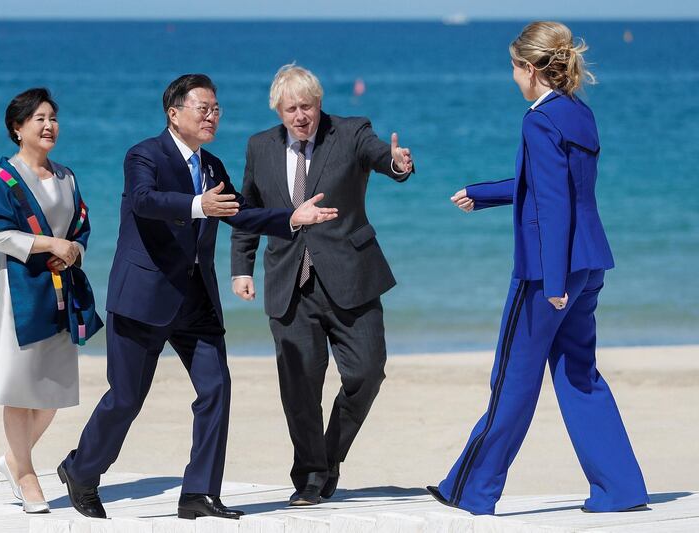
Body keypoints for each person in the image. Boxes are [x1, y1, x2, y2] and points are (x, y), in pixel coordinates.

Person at [56, 74, 338, 521]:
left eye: (216, 109)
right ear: (174, 113)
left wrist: (292, 218)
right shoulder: (144, 155)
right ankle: (82, 470)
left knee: (216, 389)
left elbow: (242, 213)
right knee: (126, 398)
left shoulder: (212, 166)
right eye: (202, 108)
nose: (211, 116)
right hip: (143, 297)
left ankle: (199, 493)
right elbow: (145, 201)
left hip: (196, 302)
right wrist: (196, 206)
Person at [426, 21, 649, 515]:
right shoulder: (578, 113)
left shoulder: (538, 121)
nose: (512, 77)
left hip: (549, 273)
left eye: (513, 67)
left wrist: (550, 283)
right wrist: (482, 195)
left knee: (513, 380)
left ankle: (471, 490)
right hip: (589, 263)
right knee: (579, 375)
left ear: (530, 68)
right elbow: (557, 187)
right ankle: (622, 490)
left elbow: (552, 204)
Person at [230, 64, 414, 506]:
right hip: (289, 284)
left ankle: (328, 456)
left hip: (352, 276)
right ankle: (311, 475)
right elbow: (248, 210)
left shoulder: (350, 132)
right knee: (299, 389)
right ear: (278, 109)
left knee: (368, 372)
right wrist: (241, 267)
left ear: (319, 104)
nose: (301, 116)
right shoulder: (260, 146)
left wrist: (397, 163)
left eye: (307, 107)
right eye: (291, 108)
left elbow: (378, 155)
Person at [0, 88, 102, 513]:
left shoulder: (67, 176)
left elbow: (82, 226)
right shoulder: (6, 179)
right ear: (17, 128)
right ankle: (26, 475)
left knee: (52, 392)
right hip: (18, 293)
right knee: (18, 388)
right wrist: (48, 242)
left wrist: (73, 250)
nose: (49, 125)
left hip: (59, 290)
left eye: (52, 117)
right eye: (39, 119)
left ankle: (14, 458)